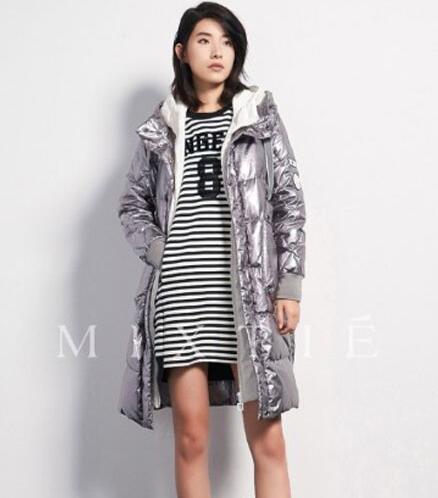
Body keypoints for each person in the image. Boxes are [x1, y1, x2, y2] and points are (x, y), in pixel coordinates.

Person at [117, 2, 306, 497]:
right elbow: (132, 204)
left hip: (247, 294)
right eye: (204, 41)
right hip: (181, 295)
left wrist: (289, 285)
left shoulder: (258, 114)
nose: (217, 51)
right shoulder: (162, 125)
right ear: (182, 52)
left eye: (226, 42)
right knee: (191, 439)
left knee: (267, 438)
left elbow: (288, 199)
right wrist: (159, 250)